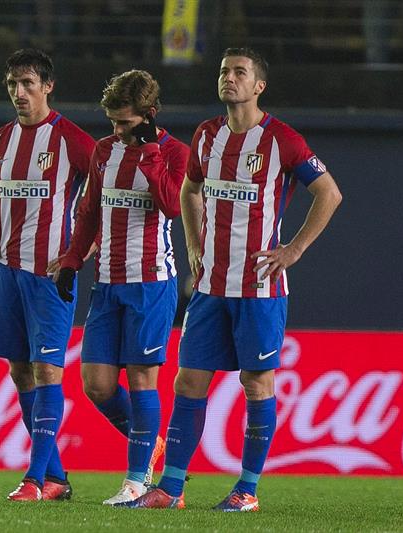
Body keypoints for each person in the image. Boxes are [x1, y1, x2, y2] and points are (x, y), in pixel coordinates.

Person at [123, 47, 342, 511]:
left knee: (256, 384)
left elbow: (329, 192)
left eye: (239, 73)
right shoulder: (206, 135)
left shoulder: (282, 139)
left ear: (258, 85)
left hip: (260, 289)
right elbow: (189, 189)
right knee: (188, 382)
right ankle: (172, 488)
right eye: (224, 71)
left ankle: (247, 490)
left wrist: (294, 249)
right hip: (210, 288)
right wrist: (194, 245)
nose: (229, 79)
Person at [0, 48, 95, 501]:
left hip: (50, 275)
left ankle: (35, 480)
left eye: (28, 84)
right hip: (9, 273)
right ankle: (54, 477)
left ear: (48, 86)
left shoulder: (72, 140)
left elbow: (104, 200)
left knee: (47, 371)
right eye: (12, 85)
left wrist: (81, 251)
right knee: (21, 372)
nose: (19, 93)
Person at [52, 70, 189, 505]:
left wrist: (149, 154)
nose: (116, 131)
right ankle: (153, 447)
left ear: (149, 116)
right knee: (97, 384)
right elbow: (90, 210)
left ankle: (137, 479)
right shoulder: (104, 151)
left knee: (143, 380)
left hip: (151, 282)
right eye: (112, 122)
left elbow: (172, 205)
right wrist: (73, 260)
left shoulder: (175, 153)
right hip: (107, 283)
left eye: (125, 123)